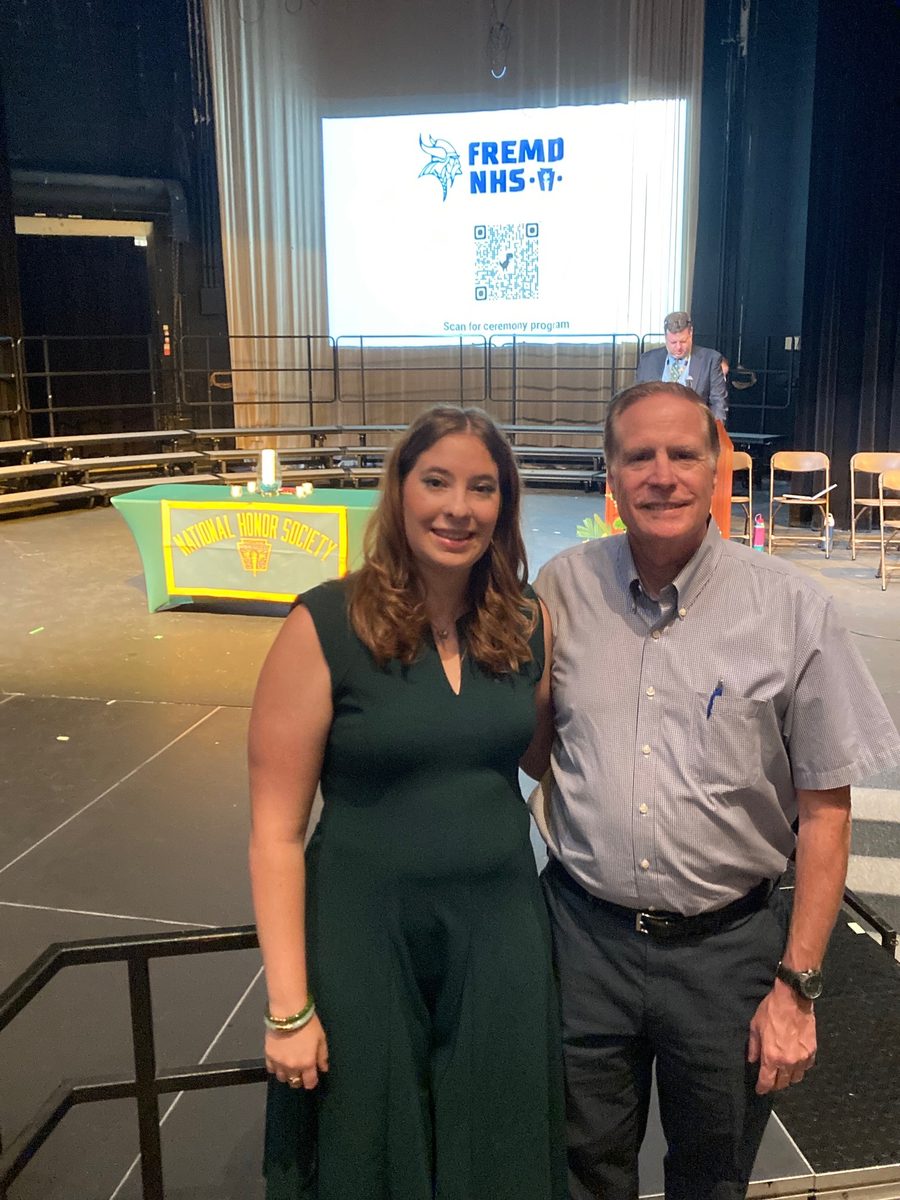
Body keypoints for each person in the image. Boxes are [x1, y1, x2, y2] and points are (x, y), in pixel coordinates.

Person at [533, 381, 900, 1200]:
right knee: (580, 1173)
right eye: (638, 457)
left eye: (683, 454)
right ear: (612, 474)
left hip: (728, 957)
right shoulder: (560, 591)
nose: (661, 475)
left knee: (712, 1177)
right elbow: (538, 748)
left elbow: (825, 816)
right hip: (582, 944)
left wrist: (797, 989)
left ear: (720, 470)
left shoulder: (794, 610)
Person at [248, 405, 566, 1200]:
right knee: (369, 1143)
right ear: (399, 491)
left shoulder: (526, 621)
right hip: (365, 930)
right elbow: (275, 834)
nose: (458, 507)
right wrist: (288, 1007)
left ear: (505, 504)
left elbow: (539, 752)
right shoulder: (324, 622)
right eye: (436, 481)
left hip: (499, 926)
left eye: (481, 487)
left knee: (500, 1139)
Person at [635, 310, 729, 422]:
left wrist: (713, 433)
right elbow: (637, 400)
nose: (678, 347)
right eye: (673, 342)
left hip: (693, 430)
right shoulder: (648, 360)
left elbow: (718, 402)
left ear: (691, 333)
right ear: (665, 337)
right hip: (655, 427)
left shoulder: (710, 360)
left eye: (683, 341)